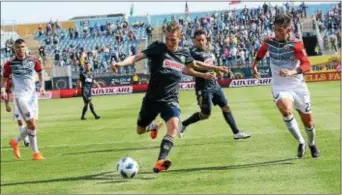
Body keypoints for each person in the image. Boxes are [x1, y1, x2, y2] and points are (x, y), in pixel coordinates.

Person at [112, 22, 228, 173]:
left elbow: (190, 66)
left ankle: (160, 161)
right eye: (168, 39)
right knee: (140, 130)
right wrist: (120, 64)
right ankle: (153, 126)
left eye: (173, 39)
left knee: (173, 127)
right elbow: (136, 57)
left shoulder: (184, 53)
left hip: (170, 99)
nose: (169, 42)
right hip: (152, 99)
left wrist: (210, 70)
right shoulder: (159, 47)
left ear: (179, 38)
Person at [252, 14, 320, 158]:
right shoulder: (269, 41)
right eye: (275, 30)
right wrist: (255, 64)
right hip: (280, 87)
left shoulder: (296, 44)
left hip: (298, 86)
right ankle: (301, 142)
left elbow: (307, 64)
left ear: (288, 30)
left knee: (308, 122)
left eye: (280, 31)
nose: (276, 33)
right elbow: (262, 51)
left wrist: (292, 72)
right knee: (286, 109)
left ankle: (312, 143)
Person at [179, 29, 251, 140]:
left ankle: (236, 132)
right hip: (203, 88)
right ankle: (184, 124)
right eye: (198, 40)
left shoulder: (208, 52)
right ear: (194, 41)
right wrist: (208, 72)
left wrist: (218, 72)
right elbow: (190, 68)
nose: (201, 42)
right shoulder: (193, 53)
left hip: (214, 85)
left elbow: (211, 64)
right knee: (205, 115)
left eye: (203, 40)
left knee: (226, 107)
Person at [1, 38, 45, 160]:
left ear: (26, 47)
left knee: (33, 125)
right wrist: (3, 91)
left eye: (22, 47)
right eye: (18, 47)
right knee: (31, 125)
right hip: (21, 97)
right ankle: (36, 153)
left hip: (32, 97)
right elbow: (4, 80)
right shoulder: (9, 63)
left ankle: (15, 142)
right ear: (14, 48)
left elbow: (40, 72)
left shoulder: (33, 60)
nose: (21, 49)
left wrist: (41, 86)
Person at [3, 75, 30, 147]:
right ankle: (26, 139)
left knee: (30, 122)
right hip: (17, 101)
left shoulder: (23, 75)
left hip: (26, 100)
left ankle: (22, 139)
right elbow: (7, 92)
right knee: (20, 121)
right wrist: (6, 105)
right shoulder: (9, 79)